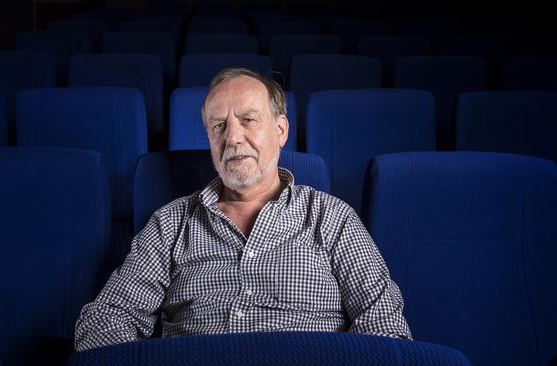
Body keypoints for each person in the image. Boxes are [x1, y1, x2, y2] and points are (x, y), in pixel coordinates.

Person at [75, 68, 411, 351]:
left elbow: (385, 325)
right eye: (218, 125)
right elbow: (107, 318)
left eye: (248, 120)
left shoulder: (333, 217)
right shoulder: (170, 223)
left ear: (280, 130)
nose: (233, 137)